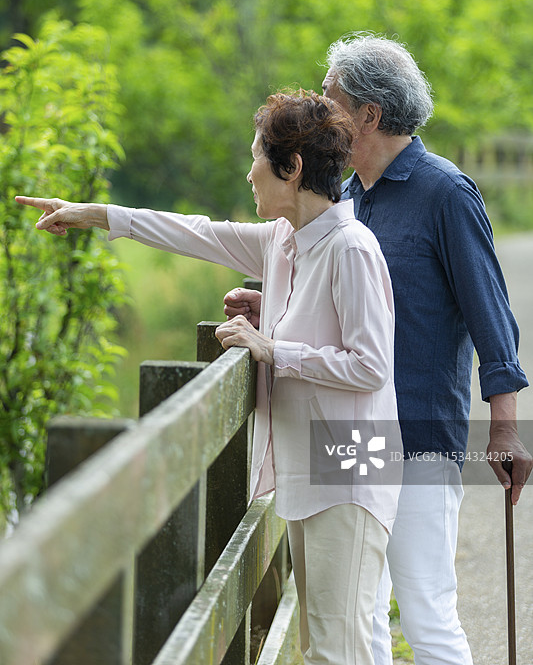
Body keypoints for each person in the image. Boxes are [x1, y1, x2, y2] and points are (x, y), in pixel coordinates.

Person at [16, 89, 402, 665]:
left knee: (336, 648)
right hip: (316, 461)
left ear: (291, 168)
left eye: (256, 157)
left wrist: (271, 347)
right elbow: (195, 233)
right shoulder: (284, 241)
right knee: (324, 643)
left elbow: (371, 367)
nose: (248, 172)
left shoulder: (352, 248)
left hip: (349, 462)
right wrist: (93, 213)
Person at [224, 35, 533, 665]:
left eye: (332, 98)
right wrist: (275, 308)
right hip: (353, 433)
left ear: (369, 114)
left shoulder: (445, 192)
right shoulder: (348, 198)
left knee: (425, 611)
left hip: (418, 430)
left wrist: (505, 424)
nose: (323, 111)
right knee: (356, 616)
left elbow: (490, 313)